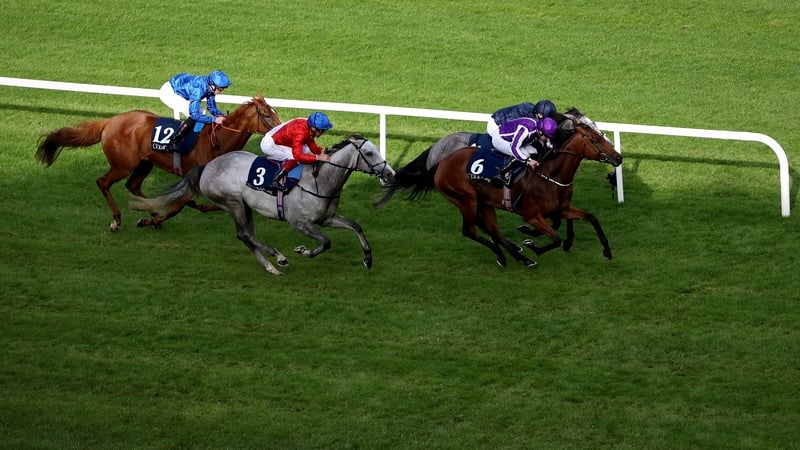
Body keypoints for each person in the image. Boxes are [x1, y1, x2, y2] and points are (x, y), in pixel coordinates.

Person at [159, 70, 233, 150]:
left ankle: (195, 137)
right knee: (193, 115)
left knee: (202, 112)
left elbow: (211, 107)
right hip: (169, 93)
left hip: (181, 88)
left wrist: (222, 115)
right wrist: (214, 119)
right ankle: (174, 141)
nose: (222, 91)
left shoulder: (210, 87)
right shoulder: (198, 91)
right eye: (220, 89)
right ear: (213, 86)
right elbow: (194, 115)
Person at [260, 112, 333, 191]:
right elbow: (298, 156)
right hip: (269, 144)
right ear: (314, 128)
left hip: (279, 140)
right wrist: (318, 157)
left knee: (306, 150)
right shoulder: (300, 132)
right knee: (294, 158)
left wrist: (321, 151)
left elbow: (311, 145)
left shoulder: (309, 127)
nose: (323, 133)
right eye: (322, 131)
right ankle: (275, 180)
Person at [489, 116, 558, 185]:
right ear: (540, 132)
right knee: (523, 153)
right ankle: (502, 173)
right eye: (547, 137)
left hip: (511, 137)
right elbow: (514, 148)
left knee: (533, 150)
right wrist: (529, 161)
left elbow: (546, 142)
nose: (548, 139)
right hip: (500, 138)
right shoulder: (525, 130)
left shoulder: (538, 126)